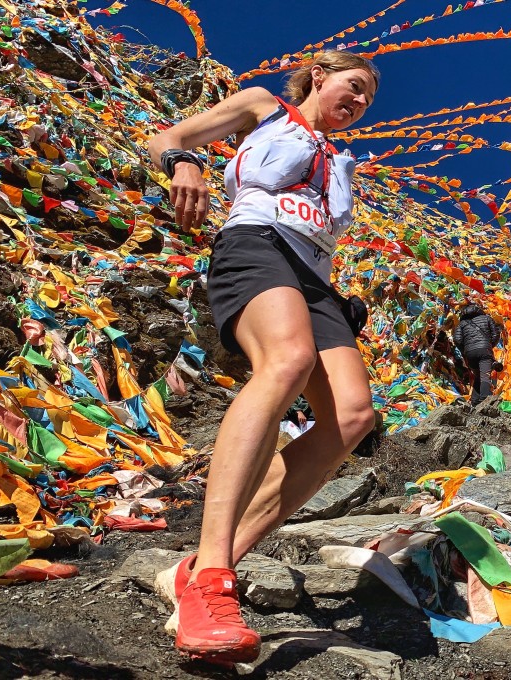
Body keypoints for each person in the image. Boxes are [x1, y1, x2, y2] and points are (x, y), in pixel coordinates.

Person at [146, 51, 379, 664]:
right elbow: (167, 135)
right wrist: (185, 163)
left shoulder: (342, 159)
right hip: (256, 243)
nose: (357, 103)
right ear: (320, 76)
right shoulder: (264, 107)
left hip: (317, 277)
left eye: (367, 100)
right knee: (287, 359)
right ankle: (214, 581)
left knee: (352, 417)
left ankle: (195, 569)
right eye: (353, 87)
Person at [452, 302, 501, 406]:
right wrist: (489, 345)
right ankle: (485, 399)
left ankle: (474, 400)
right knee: (485, 375)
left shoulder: (462, 324)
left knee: (478, 375)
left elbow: (457, 339)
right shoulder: (487, 318)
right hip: (485, 350)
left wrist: (464, 349)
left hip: (470, 353)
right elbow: (496, 334)